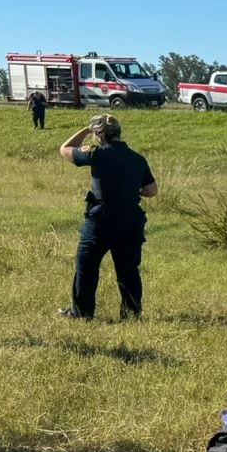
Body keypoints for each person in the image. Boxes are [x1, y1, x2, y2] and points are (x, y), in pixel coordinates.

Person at [57, 115, 157, 321]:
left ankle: (82, 313)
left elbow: (65, 149)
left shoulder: (95, 153)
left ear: (99, 135)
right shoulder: (137, 158)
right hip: (130, 220)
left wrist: (86, 130)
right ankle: (130, 315)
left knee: (87, 265)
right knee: (128, 270)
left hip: (101, 220)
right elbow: (151, 190)